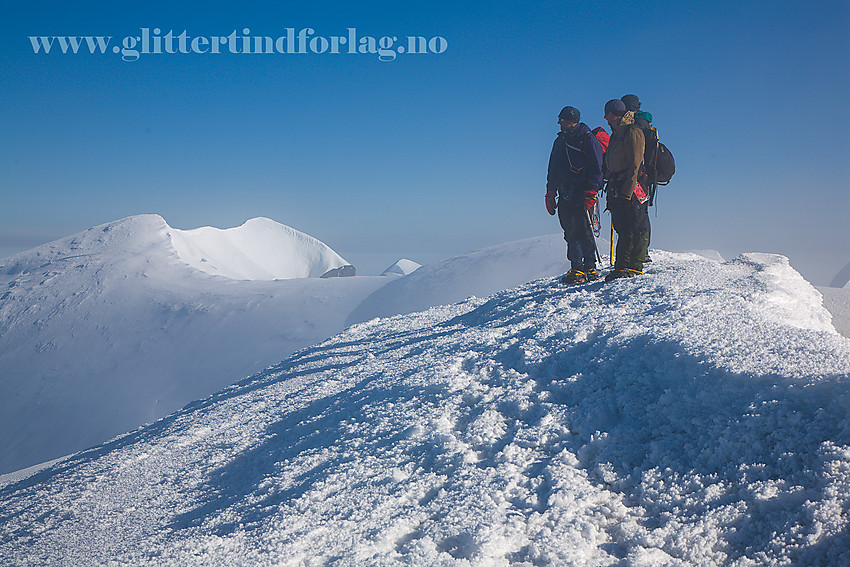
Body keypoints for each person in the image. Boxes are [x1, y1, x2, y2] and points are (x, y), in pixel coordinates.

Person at [545, 105, 604, 284]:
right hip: (565, 192)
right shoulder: (561, 140)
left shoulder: (587, 138)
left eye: (562, 120)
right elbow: (553, 168)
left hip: (584, 191)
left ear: (571, 121)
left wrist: (592, 191)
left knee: (585, 229)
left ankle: (590, 266)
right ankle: (577, 267)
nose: (559, 123)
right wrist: (550, 191)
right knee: (570, 229)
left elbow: (597, 165)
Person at [602, 99, 650, 281]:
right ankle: (622, 266)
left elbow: (635, 165)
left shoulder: (633, 132)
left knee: (635, 225)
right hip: (618, 185)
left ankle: (634, 265)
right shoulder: (616, 134)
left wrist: (627, 192)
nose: (605, 117)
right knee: (623, 226)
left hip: (630, 185)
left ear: (615, 114)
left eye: (608, 113)